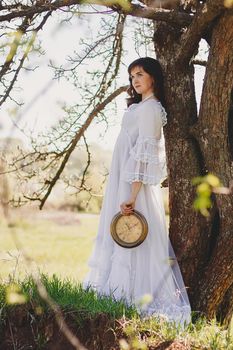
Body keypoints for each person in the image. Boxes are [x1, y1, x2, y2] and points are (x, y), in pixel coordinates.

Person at [83, 57, 191, 325]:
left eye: (140, 74)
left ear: (153, 77)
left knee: (134, 235)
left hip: (135, 186)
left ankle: (135, 297)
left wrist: (132, 195)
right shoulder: (138, 107)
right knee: (118, 235)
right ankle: (118, 294)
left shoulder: (152, 109)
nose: (135, 80)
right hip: (122, 179)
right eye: (132, 76)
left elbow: (145, 154)